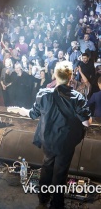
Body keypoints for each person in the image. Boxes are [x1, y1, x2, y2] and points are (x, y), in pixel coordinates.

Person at [20, 61, 92, 209]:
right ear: (70, 76)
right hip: (65, 143)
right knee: (60, 174)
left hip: (48, 141)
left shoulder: (43, 94)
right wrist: (88, 117)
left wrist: (19, 110)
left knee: (46, 168)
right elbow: (86, 123)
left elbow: (32, 114)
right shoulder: (77, 98)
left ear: (54, 75)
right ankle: (57, 204)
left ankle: (43, 200)